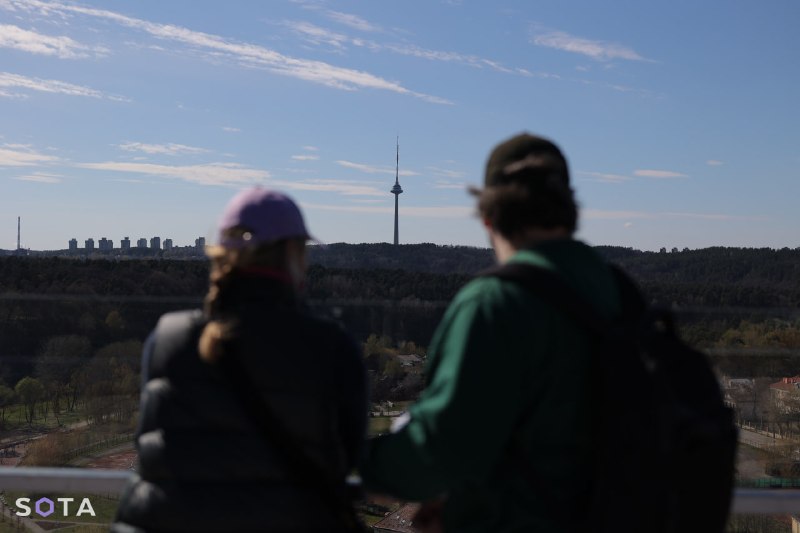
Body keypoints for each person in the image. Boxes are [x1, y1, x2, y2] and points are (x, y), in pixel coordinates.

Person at [359, 133, 621, 532]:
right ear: (569, 210)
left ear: (488, 216)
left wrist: (354, 466)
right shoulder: (616, 293)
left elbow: (439, 450)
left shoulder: (496, 305)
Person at [114, 188, 367, 532]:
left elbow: (153, 446)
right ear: (294, 253)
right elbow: (348, 457)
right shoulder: (332, 347)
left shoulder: (168, 339)